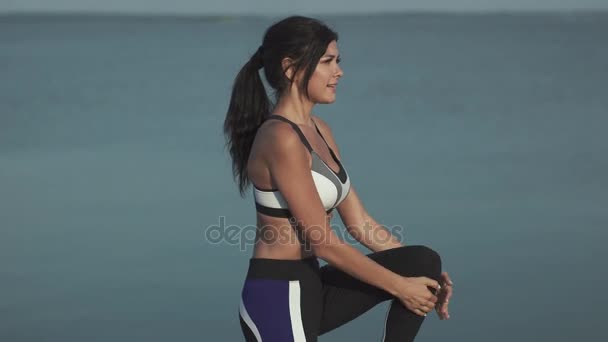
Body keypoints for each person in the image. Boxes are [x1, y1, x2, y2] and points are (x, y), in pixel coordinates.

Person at [223, 15, 454, 342]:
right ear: (291, 69)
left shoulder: (321, 131)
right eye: (328, 61)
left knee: (422, 261)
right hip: (277, 295)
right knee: (409, 276)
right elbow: (322, 241)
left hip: (312, 284)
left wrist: (422, 281)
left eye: (338, 61)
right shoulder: (280, 138)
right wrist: (401, 286)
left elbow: (360, 223)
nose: (339, 72)